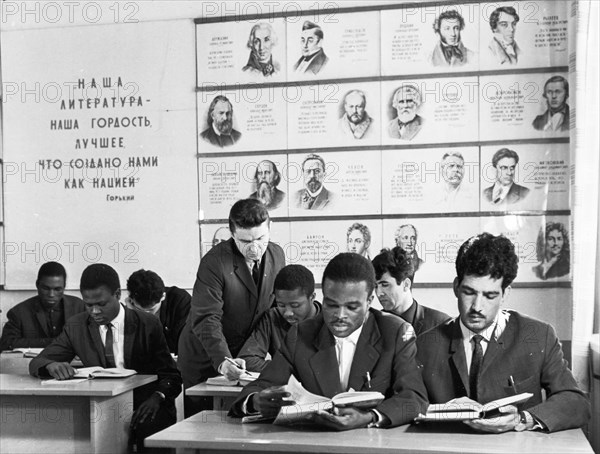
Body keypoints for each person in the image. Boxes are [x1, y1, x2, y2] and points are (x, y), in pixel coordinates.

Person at [229, 253, 428, 430]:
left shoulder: (395, 332)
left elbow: (414, 397)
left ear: (369, 302)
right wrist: (255, 401)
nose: (340, 316)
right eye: (331, 305)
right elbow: (258, 387)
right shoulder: (301, 334)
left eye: (352, 307)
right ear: (322, 298)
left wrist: (369, 417)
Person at [417, 233, 590, 433]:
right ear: (456, 287)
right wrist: (438, 410)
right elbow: (406, 404)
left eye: (490, 296)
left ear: (505, 293)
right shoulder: (425, 344)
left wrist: (523, 418)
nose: (477, 307)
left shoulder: (538, 336)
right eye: (469, 292)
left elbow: (577, 402)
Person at [29, 263, 182, 452]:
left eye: (101, 304)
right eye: (88, 304)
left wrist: (157, 397)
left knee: (148, 429)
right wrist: (50, 365)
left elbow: (171, 377)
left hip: (147, 404)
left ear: (118, 295)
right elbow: (38, 361)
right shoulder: (77, 325)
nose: (94, 312)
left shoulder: (148, 324)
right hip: (102, 407)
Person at [177, 198, 285, 415]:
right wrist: (223, 361)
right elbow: (207, 318)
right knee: (205, 428)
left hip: (243, 359)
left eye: (261, 238)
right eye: (245, 241)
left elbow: (274, 310)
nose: (255, 247)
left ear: (270, 228)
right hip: (206, 356)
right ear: (232, 234)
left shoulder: (277, 254)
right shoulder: (214, 262)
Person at [237, 265, 320, 372]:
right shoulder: (272, 317)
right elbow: (247, 360)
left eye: (295, 305)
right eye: (281, 305)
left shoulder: (331, 322)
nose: (287, 313)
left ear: (312, 297)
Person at [0, 262, 85, 352]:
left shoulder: (80, 307)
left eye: (57, 289)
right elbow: (6, 343)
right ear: (37, 285)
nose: (51, 294)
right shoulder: (19, 312)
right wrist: (52, 342)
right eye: (46, 288)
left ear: (64, 286)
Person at [372, 247, 450, 335]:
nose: (379, 293)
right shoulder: (371, 325)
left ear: (406, 284)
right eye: (375, 286)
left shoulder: (442, 324)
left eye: (385, 285)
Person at [126, 269, 191, 355]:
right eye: (141, 311)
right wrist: (130, 313)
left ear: (163, 296)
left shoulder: (180, 301)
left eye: (151, 310)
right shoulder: (130, 307)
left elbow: (182, 343)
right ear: (130, 299)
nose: (147, 315)